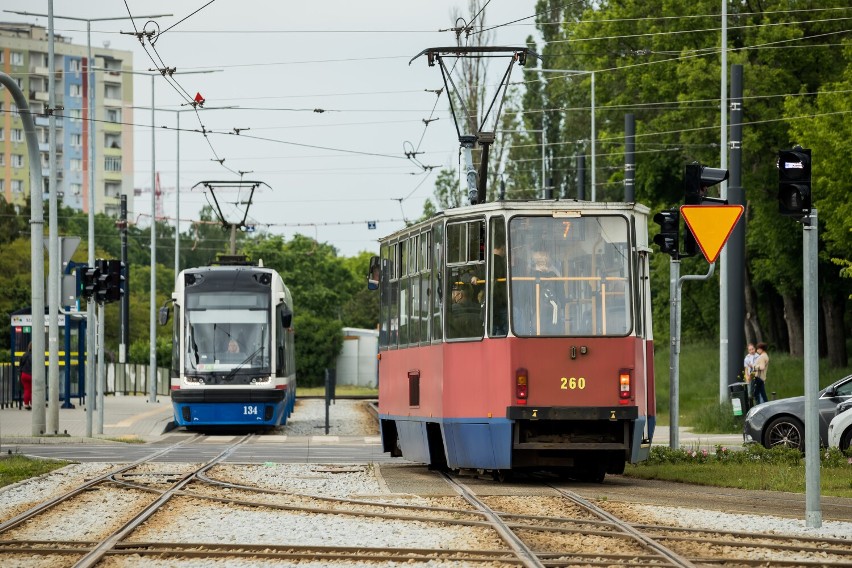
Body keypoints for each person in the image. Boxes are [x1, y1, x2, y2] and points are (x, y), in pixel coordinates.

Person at [19, 342, 33, 410]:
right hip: (31, 375)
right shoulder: (34, 356)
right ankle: (33, 403)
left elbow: (20, 364)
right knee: (33, 390)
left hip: (24, 374)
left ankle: (26, 404)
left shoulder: (24, 354)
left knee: (27, 389)